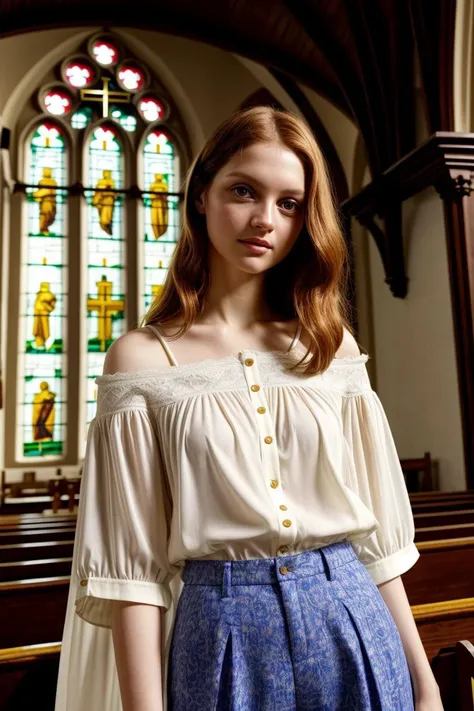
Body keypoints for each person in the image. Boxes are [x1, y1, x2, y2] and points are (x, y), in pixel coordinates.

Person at [55, 106, 444, 711]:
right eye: (244, 191)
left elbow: (379, 547)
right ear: (201, 195)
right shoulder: (140, 360)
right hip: (220, 637)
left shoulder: (328, 345)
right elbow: (133, 576)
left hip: (354, 621)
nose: (265, 219)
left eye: (290, 203)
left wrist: (425, 685)